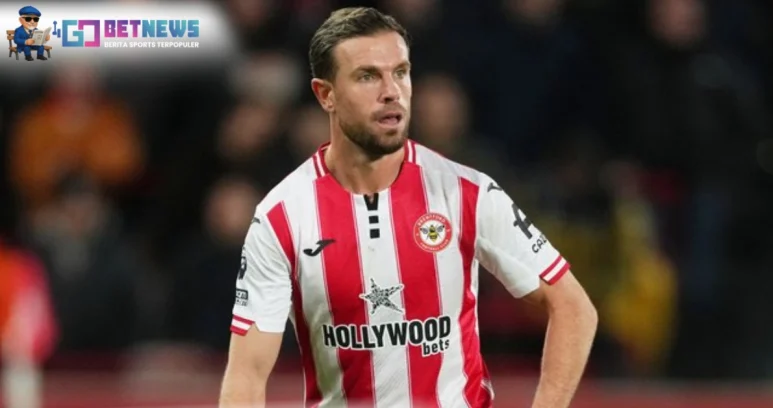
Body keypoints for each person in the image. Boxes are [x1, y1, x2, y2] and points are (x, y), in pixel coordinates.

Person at [219, 7, 597, 408]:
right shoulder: (282, 217)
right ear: (326, 95)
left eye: (400, 72)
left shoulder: (465, 192)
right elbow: (247, 375)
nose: (391, 91)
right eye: (368, 76)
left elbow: (573, 306)